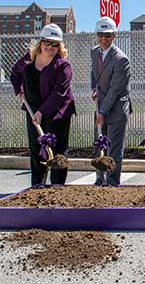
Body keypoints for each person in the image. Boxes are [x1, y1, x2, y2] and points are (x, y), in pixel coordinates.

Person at [10, 24, 75, 186]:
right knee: (36, 148)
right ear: (41, 42)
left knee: (57, 150)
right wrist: (18, 90)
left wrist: (41, 112)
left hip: (58, 112)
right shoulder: (29, 58)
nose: (50, 47)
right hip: (33, 110)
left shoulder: (62, 66)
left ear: (59, 46)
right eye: (47, 42)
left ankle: (57, 187)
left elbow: (59, 93)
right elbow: (15, 73)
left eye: (55, 44)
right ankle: (37, 186)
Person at [91, 16, 131, 186]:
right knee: (99, 145)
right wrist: (94, 88)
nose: (103, 38)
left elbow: (115, 90)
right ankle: (100, 181)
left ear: (114, 36)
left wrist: (102, 112)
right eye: (100, 34)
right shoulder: (95, 52)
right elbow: (94, 73)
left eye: (108, 35)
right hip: (101, 105)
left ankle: (113, 183)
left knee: (114, 149)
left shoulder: (121, 59)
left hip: (116, 109)